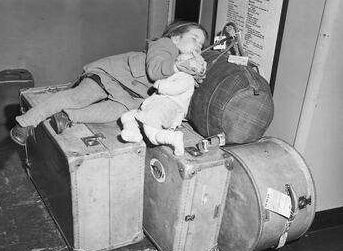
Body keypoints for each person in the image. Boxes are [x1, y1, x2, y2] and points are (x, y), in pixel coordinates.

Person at [10, 21, 208, 146]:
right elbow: (156, 70)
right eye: (194, 38)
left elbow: (180, 89)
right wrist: (179, 66)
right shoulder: (165, 46)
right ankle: (24, 123)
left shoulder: (182, 63)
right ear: (175, 37)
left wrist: (195, 76)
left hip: (130, 96)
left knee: (115, 115)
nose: (198, 46)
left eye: (201, 45)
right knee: (78, 97)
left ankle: (67, 116)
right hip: (111, 76)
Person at [120, 52, 198, 155]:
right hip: (159, 106)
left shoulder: (187, 78)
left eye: (180, 60)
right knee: (127, 116)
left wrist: (160, 84)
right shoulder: (178, 75)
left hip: (166, 106)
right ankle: (133, 132)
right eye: (177, 59)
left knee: (152, 135)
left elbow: (174, 89)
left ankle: (172, 138)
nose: (177, 62)